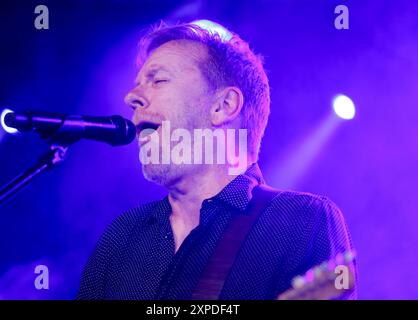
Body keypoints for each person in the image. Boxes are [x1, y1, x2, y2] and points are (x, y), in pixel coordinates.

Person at [77, 21, 357, 300]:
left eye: (158, 80)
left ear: (223, 107)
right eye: (137, 84)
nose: (131, 97)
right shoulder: (122, 236)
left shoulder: (301, 221)